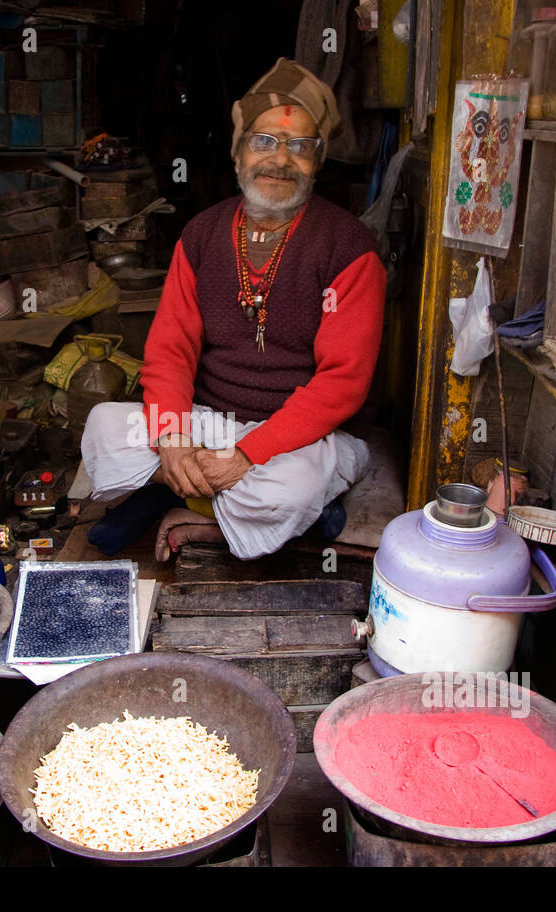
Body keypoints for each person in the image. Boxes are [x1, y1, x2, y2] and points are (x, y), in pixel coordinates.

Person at [81, 58, 386, 561]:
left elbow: (343, 382)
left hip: (303, 439)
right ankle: (223, 501)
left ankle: (183, 500)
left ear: (318, 159)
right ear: (239, 152)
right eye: (264, 141)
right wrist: (175, 440)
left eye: (299, 146)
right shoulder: (201, 235)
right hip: (213, 422)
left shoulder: (348, 248)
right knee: (105, 426)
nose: (280, 160)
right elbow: (171, 350)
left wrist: (249, 454)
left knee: (293, 484)